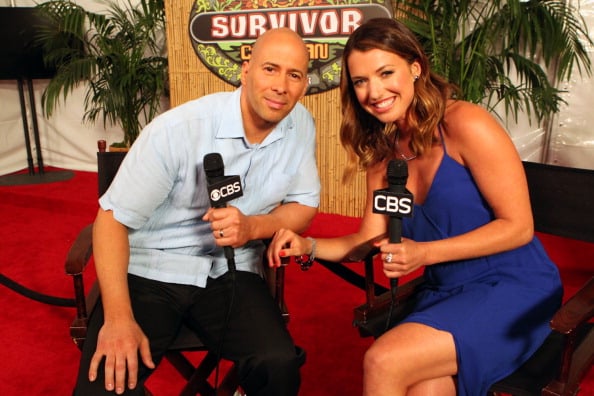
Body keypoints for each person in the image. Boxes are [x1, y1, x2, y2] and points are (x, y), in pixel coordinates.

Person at [268, 18, 563, 396]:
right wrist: (307, 245)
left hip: (514, 285)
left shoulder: (465, 123)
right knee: (427, 389)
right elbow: (367, 240)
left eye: (385, 72)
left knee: (384, 359)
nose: (374, 91)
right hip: (446, 291)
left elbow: (519, 226)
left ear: (415, 68)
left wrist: (423, 252)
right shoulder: (382, 158)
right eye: (360, 81)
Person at [74, 27, 320, 396]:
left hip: (230, 271)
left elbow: (304, 203)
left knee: (278, 364)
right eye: (270, 69)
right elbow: (111, 221)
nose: (281, 86)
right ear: (246, 69)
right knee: (103, 387)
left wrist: (252, 227)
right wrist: (119, 318)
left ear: (304, 85)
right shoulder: (178, 130)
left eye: (294, 75)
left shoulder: (300, 125)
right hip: (152, 270)